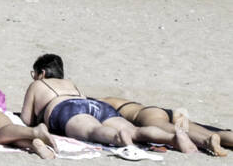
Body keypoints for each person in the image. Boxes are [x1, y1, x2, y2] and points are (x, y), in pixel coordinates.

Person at [20, 53, 198, 153]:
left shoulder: (38, 84)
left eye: (34, 74)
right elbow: (82, 100)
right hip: (94, 105)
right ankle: (172, 137)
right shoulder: (70, 83)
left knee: (94, 130)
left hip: (66, 109)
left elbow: (27, 120)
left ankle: (118, 138)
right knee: (134, 130)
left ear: (42, 73)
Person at [100, 98, 229, 157]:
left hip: (148, 114)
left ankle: (206, 141)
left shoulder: (100, 102)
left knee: (173, 130)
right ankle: (214, 137)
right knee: (212, 132)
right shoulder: (115, 99)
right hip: (172, 113)